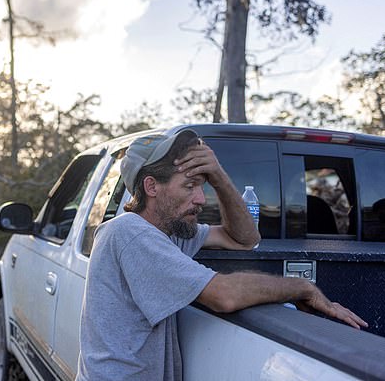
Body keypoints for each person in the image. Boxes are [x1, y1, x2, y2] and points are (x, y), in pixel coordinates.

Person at [76, 128, 367, 381]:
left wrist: (218, 176)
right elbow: (223, 295)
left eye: (202, 187)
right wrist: (301, 288)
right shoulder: (130, 232)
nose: (201, 199)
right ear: (151, 186)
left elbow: (244, 239)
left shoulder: (169, 234)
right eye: (189, 186)